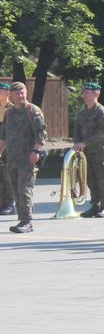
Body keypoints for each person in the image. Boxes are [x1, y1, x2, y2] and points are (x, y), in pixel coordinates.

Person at [0, 83, 45, 233]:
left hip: (27, 158)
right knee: (15, 190)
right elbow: (4, 137)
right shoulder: (9, 113)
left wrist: (36, 151)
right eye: (17, 93)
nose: (21, 96)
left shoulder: (32, 110)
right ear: (11, 95)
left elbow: (41, 133)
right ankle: (22, 219)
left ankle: (27, 221)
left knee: (24, 189)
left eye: (23, 92)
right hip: (12, 158)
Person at [73, 82, 104, 218]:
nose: (84, 95)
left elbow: (102, 132)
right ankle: (94, 205)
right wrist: (77, 143)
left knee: (102, 179)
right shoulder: (83, 113)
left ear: (96, 93)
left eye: (87, 93)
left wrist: (85, 143)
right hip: (87, 152)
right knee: (90, 179)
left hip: (101, 151)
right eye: (84, 92)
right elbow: (77, 129)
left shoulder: (101, 111)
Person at [0, 82, 14, 216]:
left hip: (9, 148)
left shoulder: (12, 109)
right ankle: (2, 203)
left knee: (7, 176)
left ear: (7, 93)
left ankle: (10, 204)